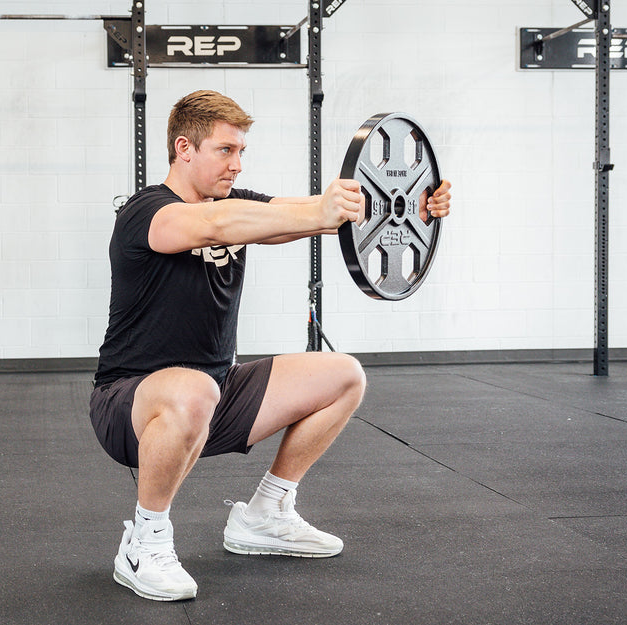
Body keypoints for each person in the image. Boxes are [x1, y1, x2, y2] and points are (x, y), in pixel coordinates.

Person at [89, 90, 452, 601]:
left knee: (344, 374)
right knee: (192, 390)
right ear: (184, 148)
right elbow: (216, 224)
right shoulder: (147, 211)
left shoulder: (235, 206)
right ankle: (144, 541)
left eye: (242, 153)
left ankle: (266, 513)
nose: (236, 164)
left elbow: (293, 214)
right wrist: (320, 211)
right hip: (131, 403)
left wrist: (408, 205)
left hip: (217, 392)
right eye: (225, 151)